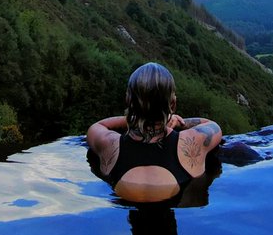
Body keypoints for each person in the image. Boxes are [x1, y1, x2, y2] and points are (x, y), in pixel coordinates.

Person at [86, 62, 224, 203]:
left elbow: (99, 125)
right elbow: (212, 125)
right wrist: (173, 119)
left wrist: (134, 118)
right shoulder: (192, 142)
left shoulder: (109, 144)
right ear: (173, 105)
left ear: (128, 101)